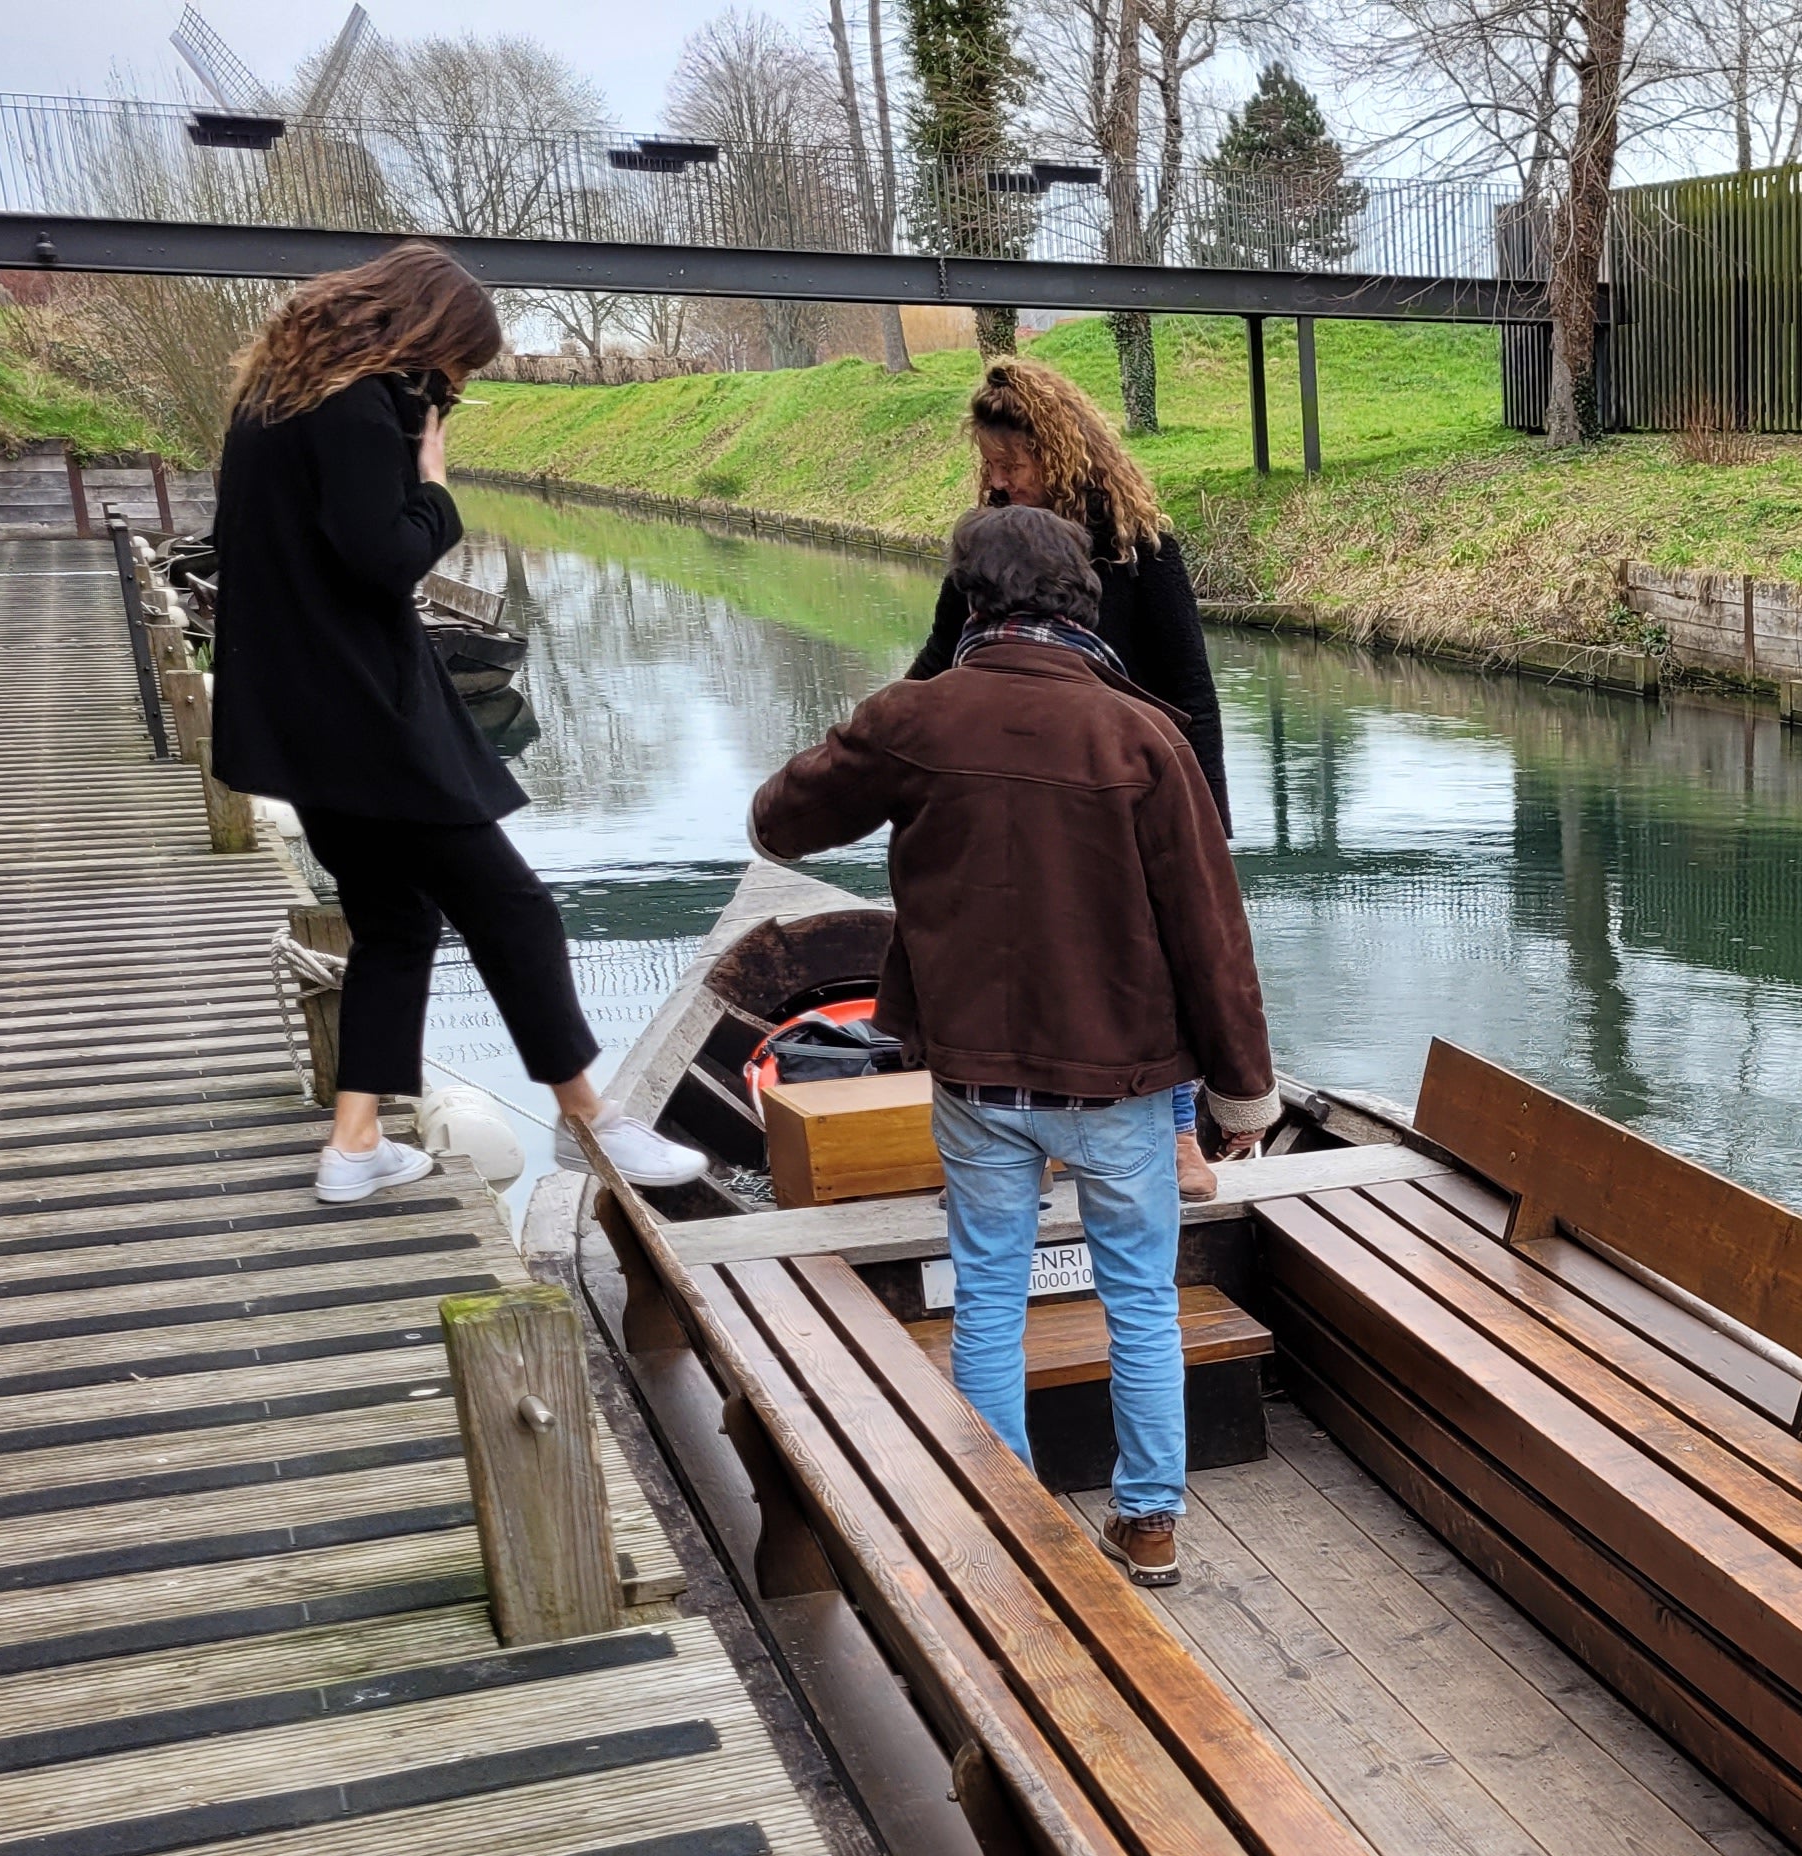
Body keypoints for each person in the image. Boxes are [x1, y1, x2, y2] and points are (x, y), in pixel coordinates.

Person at [749, 507, 1276, 1591]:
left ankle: (1009, 1515)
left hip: (977, 1074)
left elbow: (778, 823)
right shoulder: (1143, 736)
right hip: (1122, 1082)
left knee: (988, 1290)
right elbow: (1210, 932)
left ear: (971, 602)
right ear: (1082, 602)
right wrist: (1242, 1096)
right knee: (1140, 1299)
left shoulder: (914, 719)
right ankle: (1150, 1527)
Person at [208, 241, 707, 1207]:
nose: (450, 388)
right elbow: (380, 557)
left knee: (395, 922)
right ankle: (592, 1124)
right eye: (455, 370)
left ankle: (355, 1145)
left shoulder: (268, 407)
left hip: (300, 722)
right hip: (370, 717)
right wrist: (434, 486)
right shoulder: (352, 409)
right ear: (422, 336)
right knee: (513, 909)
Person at [906, 353, 1230, 1208]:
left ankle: (1181, 1141)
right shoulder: (983, 552)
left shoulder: (1141, 550)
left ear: (1061, 450)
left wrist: (1210, 822)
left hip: (1128, 796)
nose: (1000, 482)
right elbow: (937, 669)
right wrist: (888, 738)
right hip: (1015, 803)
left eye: (1014, 465)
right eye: (990, 466)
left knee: (1150, 969)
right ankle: (1039, 1141)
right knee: (1032, 960)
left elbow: (1191, 690)